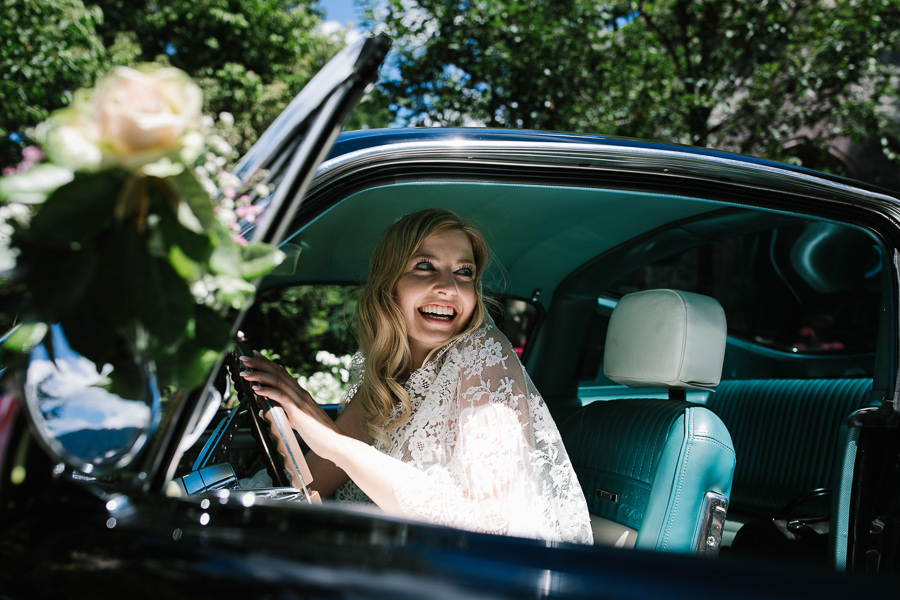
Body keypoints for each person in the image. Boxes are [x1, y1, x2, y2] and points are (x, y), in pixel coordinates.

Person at [240, 208, 593, 544]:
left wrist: (333, 442)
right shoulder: (386, 376)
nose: (449, 287)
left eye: (464, 272)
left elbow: (491, 529)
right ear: (389, 284)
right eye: (425, 266)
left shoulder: (483, 356)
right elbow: (312, 482)